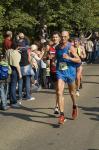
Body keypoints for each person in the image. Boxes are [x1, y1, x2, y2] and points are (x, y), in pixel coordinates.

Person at [55, 31, 81, 124]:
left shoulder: (71, 47)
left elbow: (78, 60)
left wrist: (69, 58)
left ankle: (74, 105)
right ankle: (62, 115)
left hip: (70, 72)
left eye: (65, 37)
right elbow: (57, 58)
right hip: (61, 71)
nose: (63, 38)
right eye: (62, 37)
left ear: (68, 37)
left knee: (72, 93)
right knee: (59, 92)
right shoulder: (57, 47)